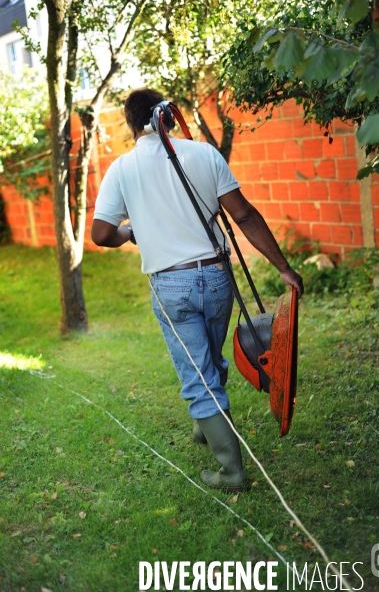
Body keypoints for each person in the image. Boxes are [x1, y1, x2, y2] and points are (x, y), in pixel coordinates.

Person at [91, 87, 304, 493]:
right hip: (218, 277)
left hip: (171, 285)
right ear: (170, 117)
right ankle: (205, 427)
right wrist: (285, 269)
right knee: (209, 357)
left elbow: (101, 233)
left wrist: (131, 231)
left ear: (134, 125)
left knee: (198, 376)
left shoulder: (122, 168)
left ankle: (231, 472)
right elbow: (243, 214)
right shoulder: (205, 154)